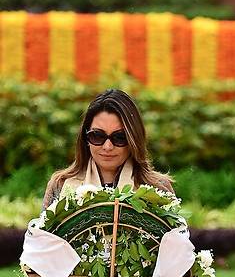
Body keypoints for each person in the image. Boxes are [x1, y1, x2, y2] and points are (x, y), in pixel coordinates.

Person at [42, 89, 173, 208]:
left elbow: (176, 234)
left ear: (134, 139)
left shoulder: (158, 187)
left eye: (119, 137)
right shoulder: (60, 185)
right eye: (97, 136)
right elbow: (43, 235)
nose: (107, 146)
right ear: (85, 138)